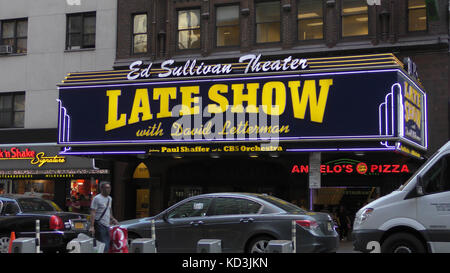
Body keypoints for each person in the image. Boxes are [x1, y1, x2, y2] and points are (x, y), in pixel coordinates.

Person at [89, 181, 118, 253]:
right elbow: (93, 212)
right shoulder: (97, 198)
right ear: (101, 189)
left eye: (109, 188)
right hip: (99, 224)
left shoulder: (109, 198)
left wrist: (113, 219)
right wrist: (92, 226)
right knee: (103, 244)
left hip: (107, 225)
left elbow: (109, 210)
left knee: (107, 244)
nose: (109, 189)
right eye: (107, 188)